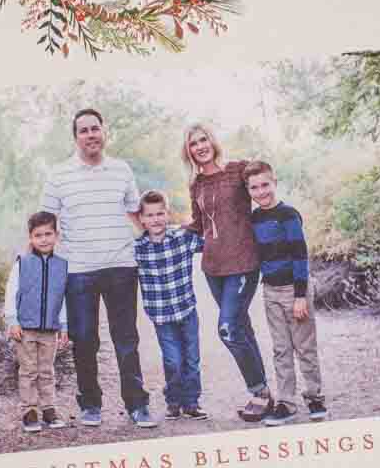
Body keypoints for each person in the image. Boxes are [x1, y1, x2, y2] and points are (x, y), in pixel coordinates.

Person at [40, 108, 156, 428]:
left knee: (126, 338)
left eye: (95, 128)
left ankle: (137, 405)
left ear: (104, 132)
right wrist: (33, 263)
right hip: (79, 271)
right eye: (83, 130)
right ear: (75, 137)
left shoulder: (121, 170)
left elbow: (136, 214)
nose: (90, 135)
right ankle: (90, 403)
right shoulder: (58, 175)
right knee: (85, 340)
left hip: (121, 266)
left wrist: (161, 238)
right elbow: (46, 224)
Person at [183, 122, 271, 422]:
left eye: (203, 139)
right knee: (241, 327)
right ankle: (263, 395)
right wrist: (164, 232)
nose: (199, 146)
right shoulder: (196, 185)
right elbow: (198, 224)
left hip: (244, 262)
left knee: (228, 329)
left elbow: (263, 186)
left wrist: (276, 218)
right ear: (189, 151)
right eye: (193, 143)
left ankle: (258, 390)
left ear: (213, 141)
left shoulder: (238, 170)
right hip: (213, 267)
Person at [245, 160, 326, 426]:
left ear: (275, 182)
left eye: (265, 185)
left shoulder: (288, 215)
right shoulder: (254, 219)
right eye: (254, 187)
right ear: (249, 191)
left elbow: (300, 255)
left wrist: (301, 295)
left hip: (294, 290)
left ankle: (315, 397)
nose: (261, 192)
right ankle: (286, 403)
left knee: (304, 347)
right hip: (270, 291)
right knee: (281, 349)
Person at [133, 191, 206, 421]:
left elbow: (212, 244)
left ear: (168, 214)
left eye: (160, 213)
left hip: (186, 310)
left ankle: (191, 402)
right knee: (173, 359)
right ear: (141, 219)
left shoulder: (182, 238)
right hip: (162, 316)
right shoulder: (138, 248)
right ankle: (173, 400)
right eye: (150, 215)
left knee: (192, 358)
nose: (155, 219)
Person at [3, 210, 70, 433]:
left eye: (48, 234)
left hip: (50, 329)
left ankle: (49, 409)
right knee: (28, 370)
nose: (44, 239)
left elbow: (63, 299)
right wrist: (12, 320)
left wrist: (64, 326)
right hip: (25, 328)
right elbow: (11, 292)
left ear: (56, 235)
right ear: (31, 238)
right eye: (38, 235)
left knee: (47, 370)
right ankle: (29, 411)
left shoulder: (62, 265)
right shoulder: (22, 262)